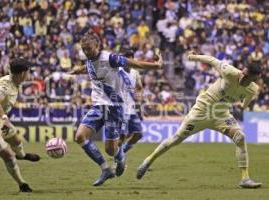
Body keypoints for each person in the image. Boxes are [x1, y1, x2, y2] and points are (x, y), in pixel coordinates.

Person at [136, 51, 262, 189]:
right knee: (175, 139)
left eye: (247, 77)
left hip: (221, 115)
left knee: (240, 137)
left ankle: (245, 178)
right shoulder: (230, 72)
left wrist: (242, 106)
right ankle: (148, 160)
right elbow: (212, 59)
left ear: (255, 78)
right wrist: (193, 57)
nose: (242, 77)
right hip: (201, 111)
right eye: (243, 73)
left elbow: (245, 104)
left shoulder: (252, 89)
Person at [72, 33, 162, 186]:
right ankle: (105, 169)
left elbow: (135, 64)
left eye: (89, 49)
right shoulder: (89, 60)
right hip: (98, 106)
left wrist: (156, 66)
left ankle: (120, 157)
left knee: (111, 150)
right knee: (79, 137)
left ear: (97, 46)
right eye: (84, 49)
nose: (86, 52)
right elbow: (90, 67)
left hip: (114, 108)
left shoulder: (110, 58)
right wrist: (78, 70)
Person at [0, 58, 41, 192]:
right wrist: (4, 117)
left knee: (16, 139)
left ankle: (22, 155)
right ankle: (22, 184)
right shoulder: (5, 86)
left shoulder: (14, 82)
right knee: (8, 155)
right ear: (22, 73)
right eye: (28, 72)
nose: (29, 76)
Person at [118, 49, 144, 154]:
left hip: (131, 107)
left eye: (132, 57)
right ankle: (118, 160)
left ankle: (121, 153)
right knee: (123, 135)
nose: (130, 59)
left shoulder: (135, 72)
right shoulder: (118, 71)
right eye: (128, 57)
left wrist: (138, 102)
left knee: (138, 133)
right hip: (120, 107)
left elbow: (139, 87)